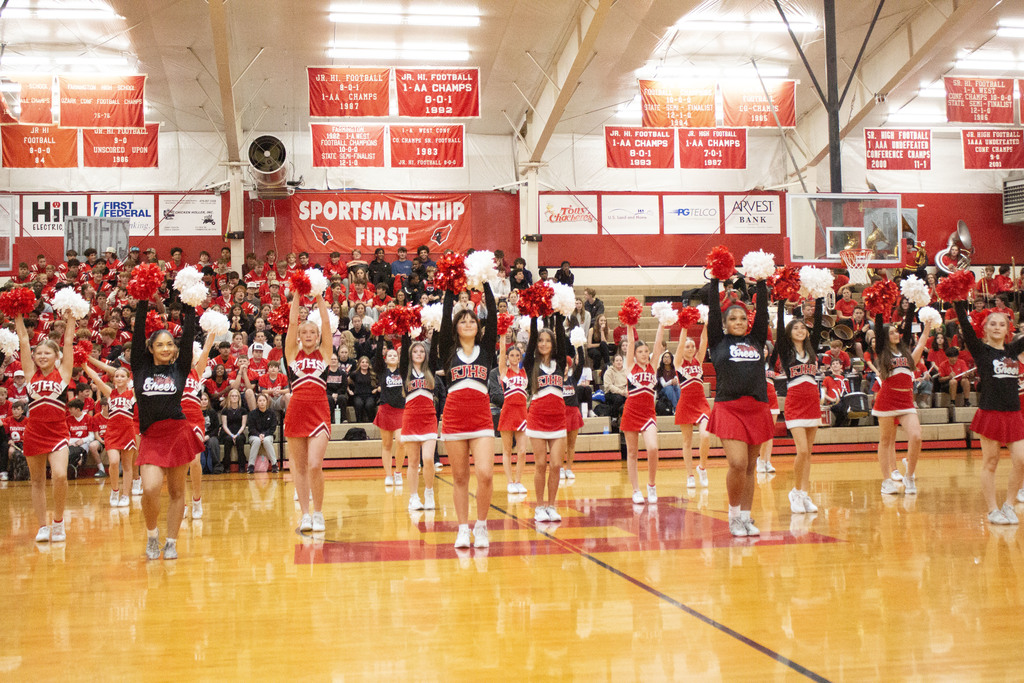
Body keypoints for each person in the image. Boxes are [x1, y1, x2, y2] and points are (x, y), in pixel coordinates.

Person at [132, 299, 202, 560]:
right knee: (150, 489)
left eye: (169, 344)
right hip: (151, 436)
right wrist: (142, 304)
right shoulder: (140, 368)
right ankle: (152, 535)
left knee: (176, 493)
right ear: (150, 348)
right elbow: (138, 336)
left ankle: (171, 541)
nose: (165, 348)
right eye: (159, 344)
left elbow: (188, 337)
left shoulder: (180, 369)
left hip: (177, 433)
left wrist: (190, 307)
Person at [706, 277, 773, 537]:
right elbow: (713, 311)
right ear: (724, 324)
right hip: (729, 407)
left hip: (756, 407)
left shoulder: (756, 340)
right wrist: (714, 282)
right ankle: (733, 516)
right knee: (737, 462)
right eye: (733, 319)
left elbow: (764, 315)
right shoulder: (718, 342)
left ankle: (746, 517)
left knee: (750, 467)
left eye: (742, 319)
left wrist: (763, 284)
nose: (738, 322)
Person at [952, 301, 1024, 524]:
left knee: (1021, 460)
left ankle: (1009, 505)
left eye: (1001, 324)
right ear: (984, 328)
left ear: (1007, 329)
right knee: (990, 462)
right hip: (990, 412)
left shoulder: (1013, 350)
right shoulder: (981, 350)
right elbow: (964, 324)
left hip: (1014, 413)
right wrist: (957, 299)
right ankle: (992, 510)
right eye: (992, 324)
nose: (996, 327)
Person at [438, 282, 498, 549]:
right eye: (462, 321)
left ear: (478, 326)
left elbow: (493, 316)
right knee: (460, 477)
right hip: (453, 419)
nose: (467, 323)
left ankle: (481, 526)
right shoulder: (449, 351)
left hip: (482, 418)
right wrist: (451, 287)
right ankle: (463, 528)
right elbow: (444, 316)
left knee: (485, 474)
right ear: (456, 327)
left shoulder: (485, 350)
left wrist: (484, 280)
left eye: (471, 320)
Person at [16, 308, 76, 543]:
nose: (41, 356)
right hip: (34, 433)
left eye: (46, 353)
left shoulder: (63, 374)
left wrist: (71, 317)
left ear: (56, 356)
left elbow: (69, 342)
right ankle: (42, 526)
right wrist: (17, 313)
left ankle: (59, 522)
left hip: (58, 432)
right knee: (37, 481)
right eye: (38, 353)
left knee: (60, 475)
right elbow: (23, 340)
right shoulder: (31, 374)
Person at [284, 292, 334, 532]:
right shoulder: (292, 354)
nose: (307, 336)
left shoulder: (324, 354)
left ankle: (318, 512)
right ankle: (305, 514)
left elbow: (326, 323)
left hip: (319, 409)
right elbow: (292, 322)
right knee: (300, 467)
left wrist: (317, 296)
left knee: (315, 464)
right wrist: (296, 293)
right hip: (296, 410)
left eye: (311, 333)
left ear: (317, 336)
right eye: (304, 333)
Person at [873, 304, 933, 496]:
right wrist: (880, 308)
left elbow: (921, 341)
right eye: (891, 333)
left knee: (916, 436)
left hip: (906, 401)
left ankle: (909, 475)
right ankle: (886, 481)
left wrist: (926, 324)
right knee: (885, 440)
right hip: (887, 399)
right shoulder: (883, 352)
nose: (896, 334)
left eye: (896, 332)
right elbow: (879, 328)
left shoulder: (908, 356)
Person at [774, 297, 825, 514]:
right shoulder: (786, 351)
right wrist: (780, 303)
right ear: (789, 333)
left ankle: (804, 494)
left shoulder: (811, 349)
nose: (800, 330)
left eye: (803, 327)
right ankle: (795, 491)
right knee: (802, 451)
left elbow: (820, 323)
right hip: (795, 403)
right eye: (795, 328)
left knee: (809, 453)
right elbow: (778, 328)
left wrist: (820, 298)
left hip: (812, 401)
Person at [524, 315, 568, 522]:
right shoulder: (530, 363)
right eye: (541, 340)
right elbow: (532, 340)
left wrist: (558, 315)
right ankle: (539, 507)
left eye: (547, 340)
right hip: (538, 418)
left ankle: (552, 505)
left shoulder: (560, 361)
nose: (543, 344)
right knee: (540, 464)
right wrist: (534, 316)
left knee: (557, 464)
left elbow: (560, 334)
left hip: (558, 418)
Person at [621, 321, 666, 505]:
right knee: (632, 453)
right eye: (641, 352)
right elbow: (631, 342)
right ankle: (636, 490)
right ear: (634, 354)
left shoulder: (653, 366)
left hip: (648, 414)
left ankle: (651, 485)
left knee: (653, 448)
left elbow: (658, 343)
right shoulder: (630, 366)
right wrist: (630, 324)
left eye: (646, 351)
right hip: (631, 412)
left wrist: (662, 323)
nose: (644, 354)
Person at [83, 362, 136, 508]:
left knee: (127, 465)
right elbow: (97, 379)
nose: (119, 378)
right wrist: (84, 365)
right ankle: (114, 490)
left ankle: (125, 495)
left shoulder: (133, 393)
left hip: (128, 431)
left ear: (128, 379)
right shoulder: (110, 393)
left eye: (122, 376)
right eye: (117, 376)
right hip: (112, 431)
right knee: (113, 462)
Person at [399, 335, 438, 511]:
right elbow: (405, 342)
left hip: (429, 418)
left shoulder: (430, 369)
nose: (418, 353)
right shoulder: (405, 371)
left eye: (422, 351)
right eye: (415, 351)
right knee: (413, 461)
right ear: (410, 354)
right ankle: (413, 497)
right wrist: (406, 324)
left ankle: (429, 493)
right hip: (411, 418)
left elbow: (436, 346)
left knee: (428, 459)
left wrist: (436, 329)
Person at [674, 325, 711, 488]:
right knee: (687, 442)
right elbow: (681, 344)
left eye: (692, 346)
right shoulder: (678, 363)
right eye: (687, 346)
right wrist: (685, 327)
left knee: (705, 435)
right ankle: (690, 475)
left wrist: (706, 324)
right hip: (686, 404)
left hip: (701, 403)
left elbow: (704, 340)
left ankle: (702, 467)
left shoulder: (699, 360)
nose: (690, 348)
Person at [497, 337, 528, 494]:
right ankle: (510, 482)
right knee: (507, 450)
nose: (515, 358)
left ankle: (518, 481)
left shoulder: (524, 371)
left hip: (522, 412)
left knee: (522, 451)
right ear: (508, 359)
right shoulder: (504, 371)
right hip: (508, 411)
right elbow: (502, 353)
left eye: (517, 355)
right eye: (512, 356)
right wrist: (502, 337)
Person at [373, 339, 405, 485]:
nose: (392, 357)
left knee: (400, 441)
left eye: (395, 355)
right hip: (385, 409)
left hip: (400, 410)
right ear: (386, 359)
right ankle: (388, 475)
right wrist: (380, 336)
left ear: (398, 359)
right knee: (386, 445)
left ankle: (398, 471)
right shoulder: (381, 371)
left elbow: (406, 353)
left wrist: (405, 333)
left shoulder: (403, 371)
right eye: (389, 355)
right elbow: (379, 356)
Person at [561, 342, 587, 481]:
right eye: (562, 365)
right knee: (561, 444)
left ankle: (569, 468)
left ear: (569, 366)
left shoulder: (573, 378)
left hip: (573, 413)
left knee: (571, 444)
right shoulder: (555, 380)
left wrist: (579, 345)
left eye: (566, 365)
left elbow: (581, 363)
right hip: (560, 414)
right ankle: (559, 468)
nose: (564, 367)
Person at [246, 393, 279, 473]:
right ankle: (251, 466)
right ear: (257, 403)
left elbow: (272, 428)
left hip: (267, 435)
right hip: (254, 435)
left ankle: (274, 465)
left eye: (263, 400)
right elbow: (251, 428)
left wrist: (264, 435)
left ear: (266, 402)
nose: (262, 402)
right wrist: (258, 435)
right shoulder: (252, 414)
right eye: (260, 401)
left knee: (266, 441)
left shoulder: (271, 413)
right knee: (257, 441)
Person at [219, 389, 248, 472]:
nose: (234, 397)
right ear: (229, 398)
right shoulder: (225, 410)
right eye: (232, 396)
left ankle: (242, 466)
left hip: (239, 432)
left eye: (236, 396)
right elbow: (224, 425)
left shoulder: (243, 410)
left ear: (239, 398)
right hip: (228, 432)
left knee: (239, 439)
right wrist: (232, 435)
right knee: (228, 440)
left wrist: (237, 434)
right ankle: (226, 466)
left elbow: (243, 425)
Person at [349, 355, 378, 422]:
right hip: (358, 395)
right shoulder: (354, 374)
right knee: (359, 404)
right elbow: (347, 382)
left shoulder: (373, 374)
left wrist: (376, 389)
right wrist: (349, 390)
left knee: (369, 405)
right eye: (363, 362)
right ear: (359, 364)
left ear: (369, 364)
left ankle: (372, 422)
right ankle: (359, 422)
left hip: (370, 395)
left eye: (366, 362)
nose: (365, 364)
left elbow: (379, 384)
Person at [603, 354, 628, 419]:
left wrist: (626, 391)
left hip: (624, 392)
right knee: (618, 398)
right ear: (613, 363)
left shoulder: (626, 371)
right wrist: (621, 392)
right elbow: (609, 386)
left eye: (620, 360)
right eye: (617, 360)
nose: (619, 362)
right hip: (611, 393)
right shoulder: (609, 372)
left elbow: (628, 384)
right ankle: (614, 417)